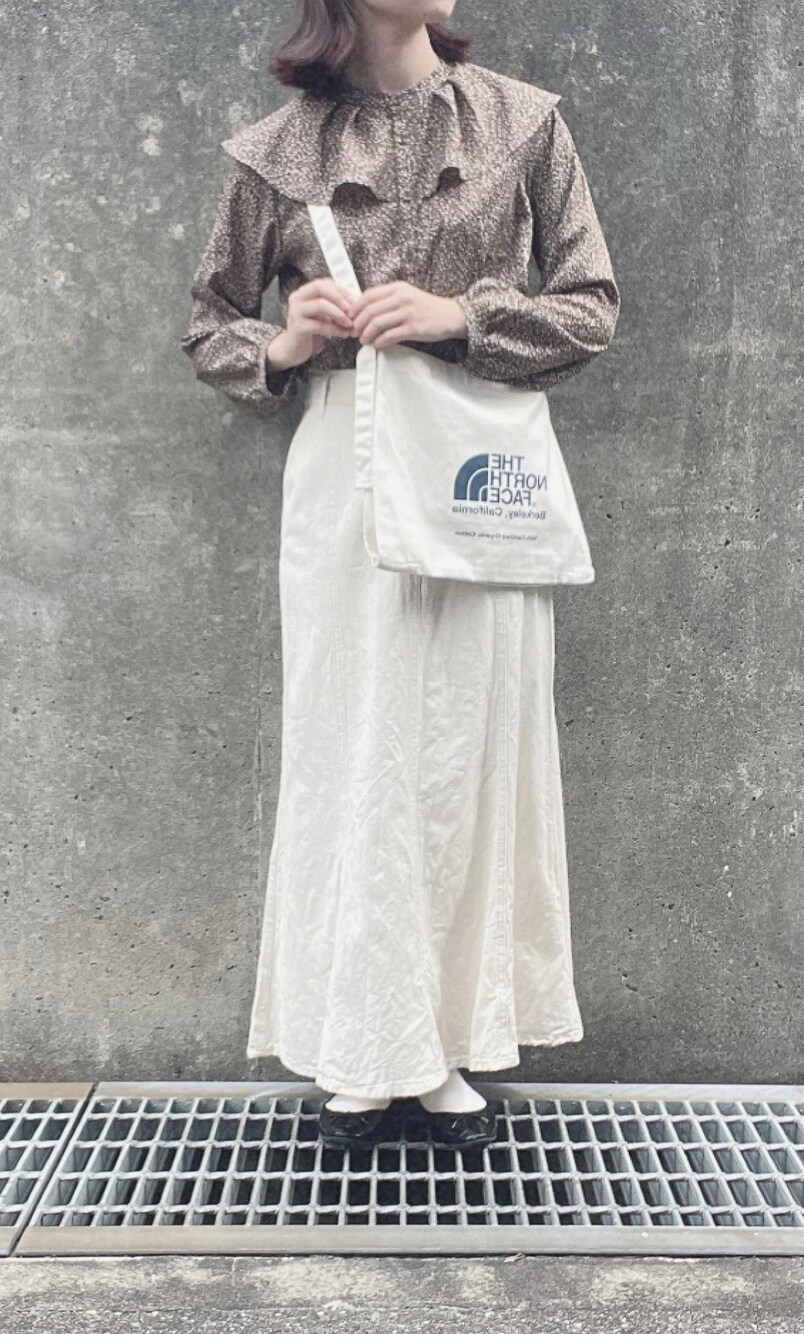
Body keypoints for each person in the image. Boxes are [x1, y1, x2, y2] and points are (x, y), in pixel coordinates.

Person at [180, 0, 620, 1151]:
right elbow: (210, 319)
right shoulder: (277, 153)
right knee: (354, 745)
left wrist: (458, 313)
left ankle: (450, 1045)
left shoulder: (522, 122)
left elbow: (590, 305)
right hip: (347, 470)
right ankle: (362, 1050)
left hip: (478, 470)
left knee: (470, 750)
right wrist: (284, 341)